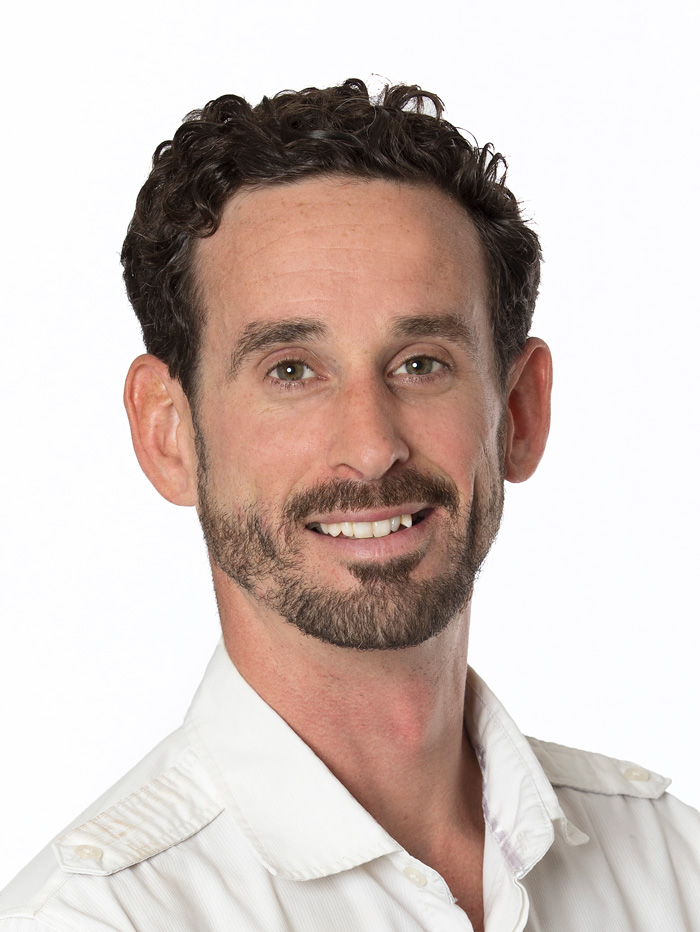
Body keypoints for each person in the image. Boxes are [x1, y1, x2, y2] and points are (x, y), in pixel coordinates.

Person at [1, 78, 698, 932]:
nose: (371, 447)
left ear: (518, 412)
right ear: (168, 433)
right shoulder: (92, 919)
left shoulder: (677, 868)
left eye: (421, 363)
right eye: (291, 370)